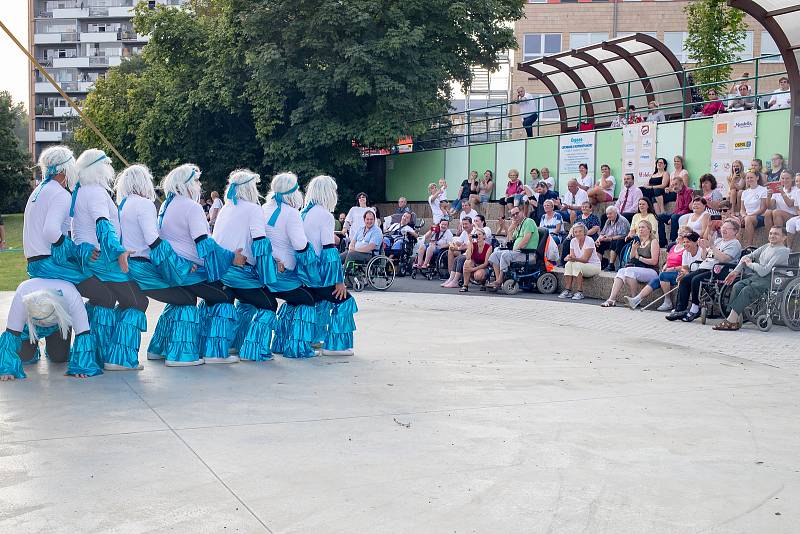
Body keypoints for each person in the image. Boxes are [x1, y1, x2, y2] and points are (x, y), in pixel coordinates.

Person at [156, 163, 247, 366]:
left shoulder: (167, 205)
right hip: (190, 271)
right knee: (224, 298)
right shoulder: (191, 207)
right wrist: (232, 257)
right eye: (196, 180)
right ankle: (214, 352)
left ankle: (160, 347)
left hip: (175, 269)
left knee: (193, 299)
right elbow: (204, 243)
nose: (199, 184)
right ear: (186, 183)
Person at [70, 149, 152, 371]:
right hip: (105, 261)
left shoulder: (81, 192)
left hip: (93, 259)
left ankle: (100, 352)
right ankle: (119, 358)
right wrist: (118, 251)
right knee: (137, 302)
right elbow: (102, 224)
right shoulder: (95, 191)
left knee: (105, 301)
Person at [115, 164, 203, 366]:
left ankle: (154, 349)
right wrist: (180, 265)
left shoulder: (123, 204)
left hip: (126, 267)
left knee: (140, 304)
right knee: (187, 299)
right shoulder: (144, 204)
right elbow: (153, 241)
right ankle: (180, 354)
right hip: (141, 268)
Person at [212, 169, 282, 362]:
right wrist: (268, 273)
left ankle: (233, 343)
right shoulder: (253, 209)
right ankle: (253, 349)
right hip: (239, 273)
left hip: (220, 271)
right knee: (269, 304)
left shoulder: (226, 208)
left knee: (247, 302)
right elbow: (260, 243)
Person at [263, 172, 322, 359]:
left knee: (295, 300)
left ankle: (280, 342)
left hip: (264, 272)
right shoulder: (291, 213)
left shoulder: (263, 208)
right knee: (308, 299)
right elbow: (300, 245)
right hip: (283, 277)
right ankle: (297, 347)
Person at [0, 279, 103, 381]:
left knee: (60, 358)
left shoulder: (71, 295)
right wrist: (7, 368)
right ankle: (33, 348)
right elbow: (11, 333)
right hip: (29, 326)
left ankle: (53, 345)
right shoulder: (23, 292)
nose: (43, 324)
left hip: (59, 324)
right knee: (24, 357)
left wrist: (82, 366)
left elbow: (83, 332)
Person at [302, 175, 358, 356]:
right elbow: (329, 251)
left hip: (305, 275)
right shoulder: (325, 215)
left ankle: (314, 338)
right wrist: (338, 281)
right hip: (317, 276)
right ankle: (336, 346)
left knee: (322, 301)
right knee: (346, 302)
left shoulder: (304, 213)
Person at [714, 226, 791, 331]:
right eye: (771, 233)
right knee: (737, 286)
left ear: (784, 237)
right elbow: (747, 257)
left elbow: (765, 271)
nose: (772, 236)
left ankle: (731, 320)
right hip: (758, 276)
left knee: (747, 290)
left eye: (776, 234)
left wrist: (750, 264)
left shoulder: (783, 251)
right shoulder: (767, 246)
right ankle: (735, 317)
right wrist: (736, 271)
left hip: (772, 279)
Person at [666, 219, 742, 322]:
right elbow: (704, 257)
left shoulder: (734, 244)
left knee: (696, 280)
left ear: (735, 231)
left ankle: (695, 309)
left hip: (720, 271)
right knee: (685, 279)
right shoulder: (719, 241)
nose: (723, 230)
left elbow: (724, 259)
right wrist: (704, 249)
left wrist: (711, 246)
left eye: (727, 228)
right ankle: (680, 309)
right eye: (723, 228)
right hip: (705, 267)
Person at [625, 229, 705, 311]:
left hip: (685, 272)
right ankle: (636, 299)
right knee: (657, 279)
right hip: (682, 272)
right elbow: (684, 268)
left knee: (663, 276)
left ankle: (668, 301)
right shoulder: (676, 247)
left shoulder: (697, 250)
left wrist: (673, 269)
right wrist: (667, 266)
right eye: (679, 234)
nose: (685, 243)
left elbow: (688, 267)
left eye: (683, 234)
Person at [600, 220, 660, 307]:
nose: (640, 229)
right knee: (621, 271)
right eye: (639, 227)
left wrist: (640, 258)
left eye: (643, 227)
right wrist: (634, 248)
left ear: (649, 229)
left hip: (651, 270)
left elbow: (654, 261)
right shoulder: (637, 240)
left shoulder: (653, 242)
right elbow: (632, 257)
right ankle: (611, 299)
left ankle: (634, 299)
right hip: (638, 268)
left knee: (629, 271)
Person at [487, 207, 539, 289]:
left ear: (522, 212)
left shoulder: (529, 222)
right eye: (513, 215)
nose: (515, 216)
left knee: (505, 255)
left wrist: (515, 249)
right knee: (495, 254)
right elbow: (510, 240)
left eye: (517, 213)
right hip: (518, 253)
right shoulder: (519, 226)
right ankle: (497, 280)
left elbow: (526, 240)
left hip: (527, 254)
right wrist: (511, 228)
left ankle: (500, 280)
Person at [559, 222, 601, 301]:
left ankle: (580, 292)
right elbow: (572, 257)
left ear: (584, 232)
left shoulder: (589, 240)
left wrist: (573, 258)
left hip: (593, 266)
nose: (578, 234)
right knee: (568, 264)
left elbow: (585, 259)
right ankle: (568, 290)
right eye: (575, 232)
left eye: (580, 231)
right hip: (580, 264)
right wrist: (568, 258)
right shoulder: (573, 241)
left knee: (576, 265)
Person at [656, 176, 693, 246]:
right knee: (660, 217)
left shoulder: (688, 191)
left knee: (675, 217)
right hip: (678, 213)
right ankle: (662, 242)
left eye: (676, 184)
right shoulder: (678, 192)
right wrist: (672, 216)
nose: (674, 187)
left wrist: (673, 216)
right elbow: (677, 208)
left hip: (687, 214)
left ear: (681, 183)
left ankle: (673, 241)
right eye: (673, 185)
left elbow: (687, 208)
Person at [560, 201, 599, 265]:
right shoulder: (579, 217)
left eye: (586, 207)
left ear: (590, 209)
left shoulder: (594, 217)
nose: (584, 208)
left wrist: (584, 234)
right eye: (583, 207)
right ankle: (564, 262)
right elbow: (573, 227)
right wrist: (570, 234)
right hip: (578, 236)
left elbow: (595, 228)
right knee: (567, 241)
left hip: (589, 237)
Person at [596, 205, 630, 271]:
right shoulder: (608, 221)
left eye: (610, 213)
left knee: (614, 242)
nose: (608, 216)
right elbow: (603, 233)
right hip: (610, 238)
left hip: (622, 240)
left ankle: (611, 265)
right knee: (599, 244)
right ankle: (598, 265)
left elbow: (623, 235)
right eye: (607, 214)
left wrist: (610, 238)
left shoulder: (622, 220)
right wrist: (598, 239)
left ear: (615, 213)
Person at [442, 217, 474, 288]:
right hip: (465, 252)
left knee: (459, 259)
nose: (464, 226)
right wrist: (453, 245)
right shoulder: (464, 232)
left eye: (466, 224)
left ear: (471, 224)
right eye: (463, 224)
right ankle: (451, 277)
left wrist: (459, 247)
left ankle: (455, 281)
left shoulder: (474, 232)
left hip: (472, 253)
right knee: (451, 250)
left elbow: (469, 246)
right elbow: (458, 242)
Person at [740, 171, 769, 248]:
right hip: (747, 217)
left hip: (759, 216)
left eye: (751, 177)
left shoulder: (763, 190)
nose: (749, 179)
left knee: (748, 219)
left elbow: (763, 208)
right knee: (731, 221)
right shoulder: (744, 192)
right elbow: (742, 209)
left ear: (757, 177)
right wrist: (744, 216)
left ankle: (749, 245)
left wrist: (748, 216)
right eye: (747, 178)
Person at [460, 228, 493, 292]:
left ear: (484, 236)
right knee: (467, 262)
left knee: (478, 275)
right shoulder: (473, 244)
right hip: (474, 264)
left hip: (484, 267)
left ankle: (483, 282)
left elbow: (486, 263)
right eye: (476, 235)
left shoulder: (488, 247)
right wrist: (470, 243)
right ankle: (465, 285)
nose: (478, 236)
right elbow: (468, 257)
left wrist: (472, 269)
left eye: (480, 234)